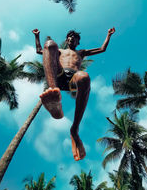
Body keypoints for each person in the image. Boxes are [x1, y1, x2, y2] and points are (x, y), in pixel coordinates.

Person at [32, 28, 115, 161]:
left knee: (84, 76)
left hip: (72, 79)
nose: (71, 39)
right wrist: (37, 36)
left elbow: (102, 48)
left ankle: (74, 129)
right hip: (58, 76)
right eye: (69, 37)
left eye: (74, 38)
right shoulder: (60, 51)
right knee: (50, 44)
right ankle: (54, 95)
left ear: (78, 42)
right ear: (66, 40)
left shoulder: (81, 53)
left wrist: (108, 35)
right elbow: (40, 51)